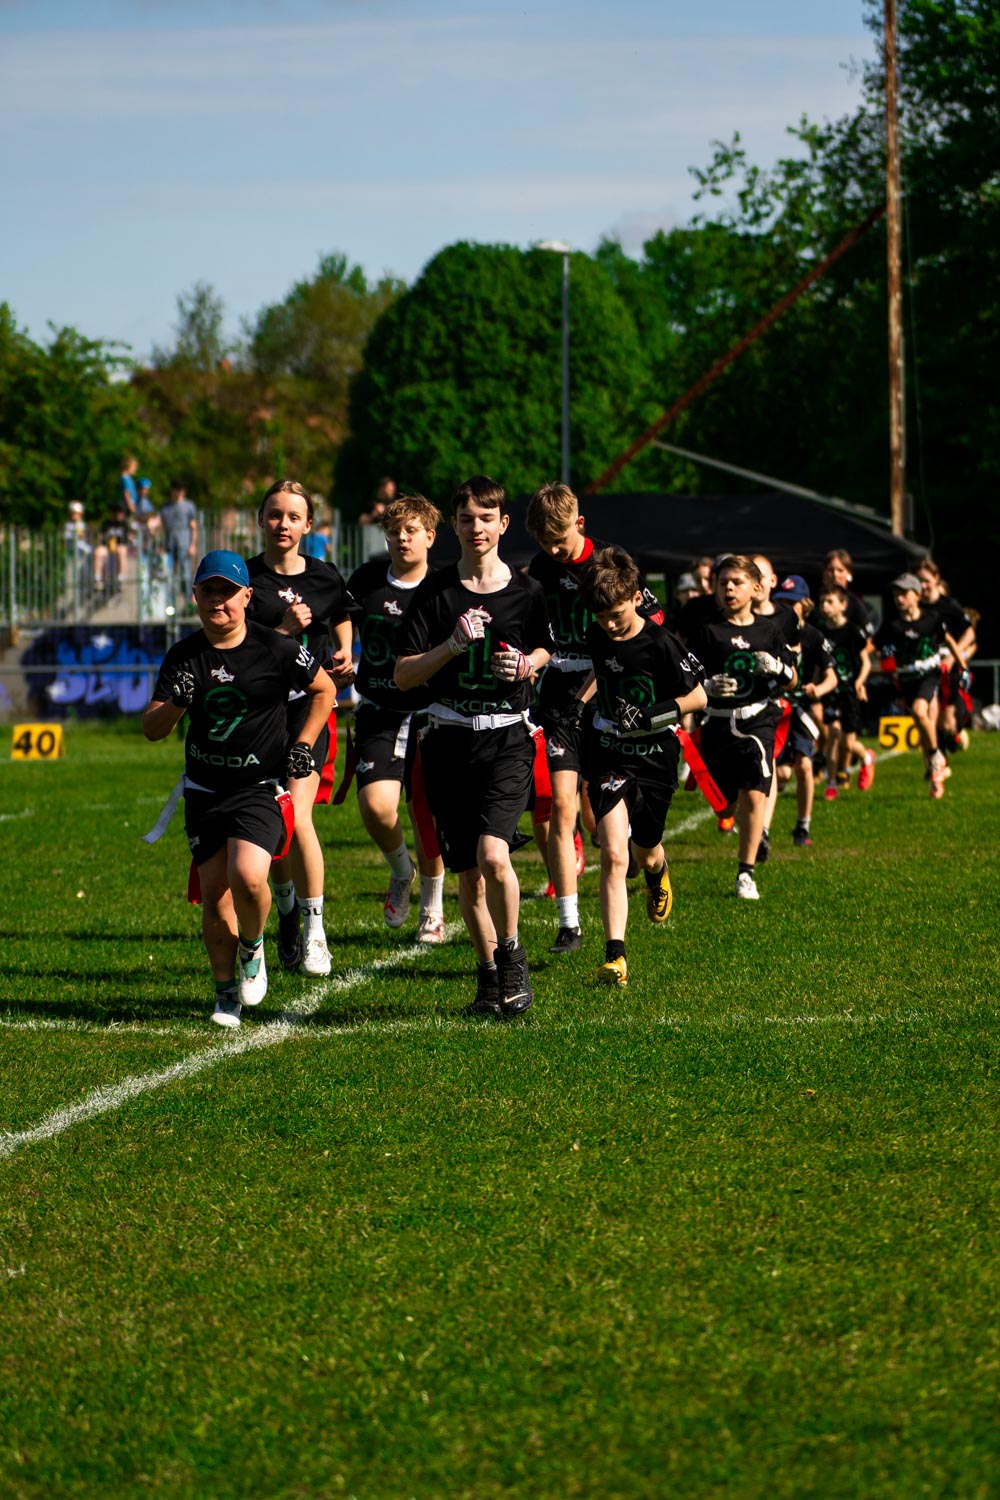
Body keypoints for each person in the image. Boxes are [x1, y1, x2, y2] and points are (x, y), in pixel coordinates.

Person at [142, 550, 336, 1027]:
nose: (217, 600)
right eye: (208, 590)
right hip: (205, 790)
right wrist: (177, 705)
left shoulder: (277, 647)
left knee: (250, 875)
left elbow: (325, 690)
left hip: (258, 786)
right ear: (195, 596)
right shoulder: (183, 655)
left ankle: (254, 946)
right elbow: (152, 727)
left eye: (227, 591)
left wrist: (304, 744)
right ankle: (225, 993)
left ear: (247, 597)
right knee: (216, 894)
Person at [394, 474, 554, 1017]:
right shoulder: (434, 594)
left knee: (494, 855)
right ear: (454, 527)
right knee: (467, 873)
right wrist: (451, 645)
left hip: (506, 737)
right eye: (466, 518)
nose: (476, 527)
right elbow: (402, 676)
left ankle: (511, 957)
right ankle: (489, 979)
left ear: (504, 524)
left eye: (486, 518)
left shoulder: (528, 592)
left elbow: (548, 647)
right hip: (446, 740)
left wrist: (529, 663)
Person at [525, 482, 664, 954]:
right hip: (560, 693)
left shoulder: (610, 562)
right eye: (545, 542)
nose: (554, 549)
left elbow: (654, 622)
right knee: (562, 805)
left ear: (580, 524)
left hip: (610, 691)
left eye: (560, 538)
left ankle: (654, 864)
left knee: (623, 827)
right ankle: (569, 921)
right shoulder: (541, 568)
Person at [571, 547, 705, 987]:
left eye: (615, 613)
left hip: (655, 756)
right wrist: (578, 705)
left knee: (646, 846)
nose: (609, 624)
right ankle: (616, 956)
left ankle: (657, 870)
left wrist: (654, 716)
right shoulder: (597, 635)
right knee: (612, 852)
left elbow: (699, 697)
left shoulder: (661, 642)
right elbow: (598, 673)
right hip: (609, 750)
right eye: (601, 616)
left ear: (634, 596)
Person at [246, 479, 355, 976]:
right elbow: (238, 651)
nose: (283, 524)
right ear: (261, 519)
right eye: (274, 514)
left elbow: (342, 613)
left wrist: (345, 650)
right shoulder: (244, 580)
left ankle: (315, 932)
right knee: (274, 825)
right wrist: (284, 633)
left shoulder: (325, 576)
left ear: (308, 525)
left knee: (300, 818)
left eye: (293, 516)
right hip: (261, 716)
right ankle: (286, 906)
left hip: (309, 709)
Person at [347, 494, 447, 941]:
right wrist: (342, 652)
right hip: (378, 709)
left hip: (432, 715)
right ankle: (400, 871)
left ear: (430, 536)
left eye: (412, 530)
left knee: (427, 814)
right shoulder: (367, 579)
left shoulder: (444, 588)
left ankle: (433, 905)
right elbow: (339, 614)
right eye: (395, 530)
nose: (402, 538)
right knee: (375, 805)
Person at [687, 555, 797, 899]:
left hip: (757, 720)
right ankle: (737, 821)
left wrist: (777, 668)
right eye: (723, 583)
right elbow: (683, 678)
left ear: (756, 588)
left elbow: (794, 679)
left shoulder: (769, 630)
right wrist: (705, 687)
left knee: (754, 794)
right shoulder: (708, 631)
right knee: (724, 806)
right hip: (717, 725)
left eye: (736, 582)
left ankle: (745, 873)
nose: (729, 588)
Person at [770, 575, 838, 846]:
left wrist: (817, 690)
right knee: (779, 772)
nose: (787, 608)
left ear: (806, 604)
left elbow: (832, 677)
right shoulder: (769, 631)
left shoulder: (813, 636)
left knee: (805, 766)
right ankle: (761, 828)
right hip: (774, 706)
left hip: (802, 708)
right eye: (782, 602)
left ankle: (803, 825)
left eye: (793, 603)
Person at [875, 571, 952, 798]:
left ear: (917, 595)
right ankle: (935, 773)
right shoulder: (893, 625)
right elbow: (875, 646)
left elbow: (949, 641)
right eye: (896, 594)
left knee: (921, 711)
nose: (899, 598)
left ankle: (937, 756)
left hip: (929, 674)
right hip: (906, 679)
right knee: (921, 722)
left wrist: (958, 661)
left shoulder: (932, 619)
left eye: (904, 594)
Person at [817, 583, 876, 803]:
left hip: (850, 691)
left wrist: (860, 683)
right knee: (832, 734)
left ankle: (866, 757)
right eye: (822, 602)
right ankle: (831, 783)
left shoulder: (853, 631)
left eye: (830, 602)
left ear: (843, 605)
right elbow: (818, 665)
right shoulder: (821, 632)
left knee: (848, 744)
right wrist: (815, 686)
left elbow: (865, 663)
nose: (825, 606)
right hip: (831, 691)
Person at [916, 559, 975, 754]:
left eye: (926, 580)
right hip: (925, 669)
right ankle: (935, 766)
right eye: (919, 581)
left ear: (936, 578)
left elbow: (970, 635)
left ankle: (954, 734)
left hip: (949, 669)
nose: (923, 585)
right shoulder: (914, 606)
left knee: (946, 724)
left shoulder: (950, 606)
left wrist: (952, 657)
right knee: (927, 716)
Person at [160, 482, 200, 608]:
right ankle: (170, 602)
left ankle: (190, 599)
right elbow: (161, 526)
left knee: (185, 573)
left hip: (184, 544)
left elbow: (193, 527)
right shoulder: (166, 507)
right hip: (169, 546)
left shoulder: (188, 506)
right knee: (169, 575)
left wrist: (192, 544)